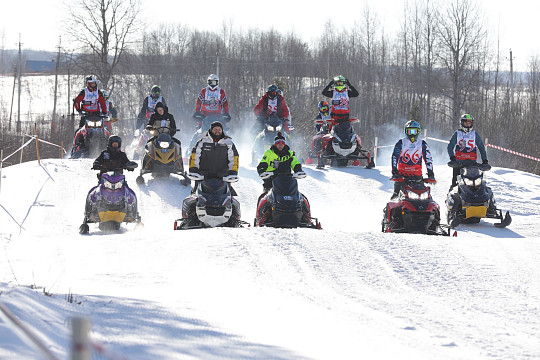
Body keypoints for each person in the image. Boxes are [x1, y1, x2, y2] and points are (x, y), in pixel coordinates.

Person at [189, 121, 239, 194]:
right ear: (211, 130)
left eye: (219, 129)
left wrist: (233, 171)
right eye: (215, 129)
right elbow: (195, 155)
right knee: (196, 197)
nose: (217, 131)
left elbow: (234, 158)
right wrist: (193, 168)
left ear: (222, 130)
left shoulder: (228, 143)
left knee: (229, 199)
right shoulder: (202, 142)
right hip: (203, 176)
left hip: (223, 176)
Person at [390, 120, 435, 200]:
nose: (412, 134)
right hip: (402, 177)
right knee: (395, 198)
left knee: (426, 199)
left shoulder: (422, 144)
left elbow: (428, 159)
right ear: (406, 131)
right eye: (410, 131)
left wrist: (431, 174)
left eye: (415, 131)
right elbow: (394, 157)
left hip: (417, 178)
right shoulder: (401, 143)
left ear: (418, 132)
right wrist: (394, 171)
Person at [447, 113, 489, 190]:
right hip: (458, 164)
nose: (467, 124)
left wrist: (485, 161)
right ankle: (452, 198)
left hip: (472, 164)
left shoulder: (475, 134)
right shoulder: (457, 134)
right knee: (455, 185)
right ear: (462, 123)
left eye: (469, 123)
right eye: (466, 122)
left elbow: (481, 147)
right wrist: (452, 159)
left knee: (475, 184)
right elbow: (450, 147)